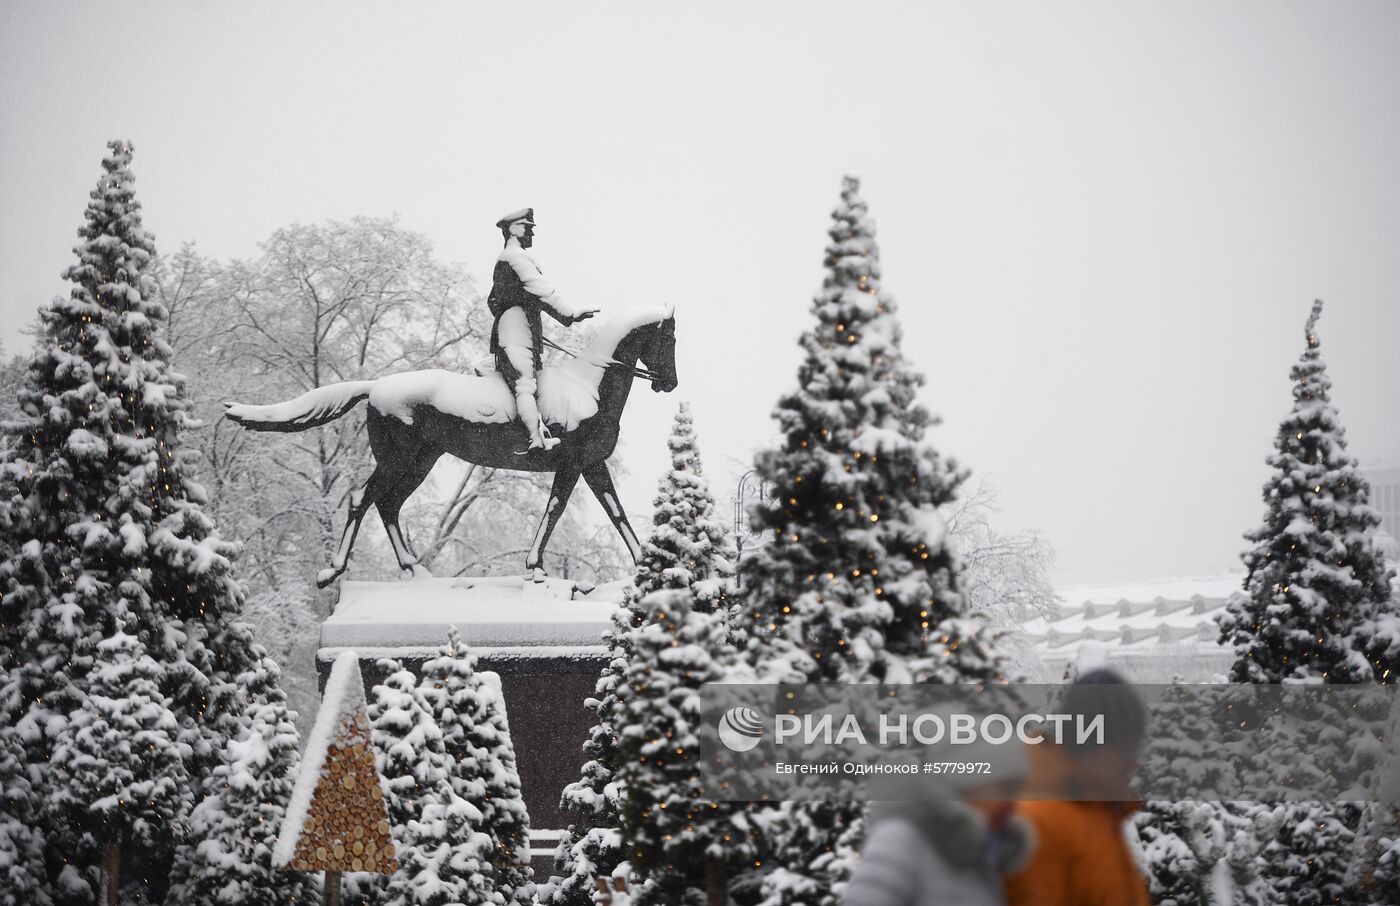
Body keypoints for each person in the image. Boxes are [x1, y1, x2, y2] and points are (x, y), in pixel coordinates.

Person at [1003, 668, 1151, 906]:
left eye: (1136, 748)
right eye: (1124, 749)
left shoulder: (1098, 815)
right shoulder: (1041, 825)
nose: (1134, 762)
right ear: (1089, 744)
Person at [843, 740, 1035, 906]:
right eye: (1005, 788)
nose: (1012, 803)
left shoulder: (981, 857)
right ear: (969, 781)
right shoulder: (902, 839)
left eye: (1016, 790)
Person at [487, 208, 598, 452]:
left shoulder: (508, 259)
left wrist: (513, 311)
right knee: (525, 385)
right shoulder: (515, 258)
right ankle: (534, 439)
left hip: (519, 331)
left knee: (530, 385)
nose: (532, 234)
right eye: (529, 228)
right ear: (515, 230)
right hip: (517, 333)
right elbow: (542, 292)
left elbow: (493, 301)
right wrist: (570, 314)